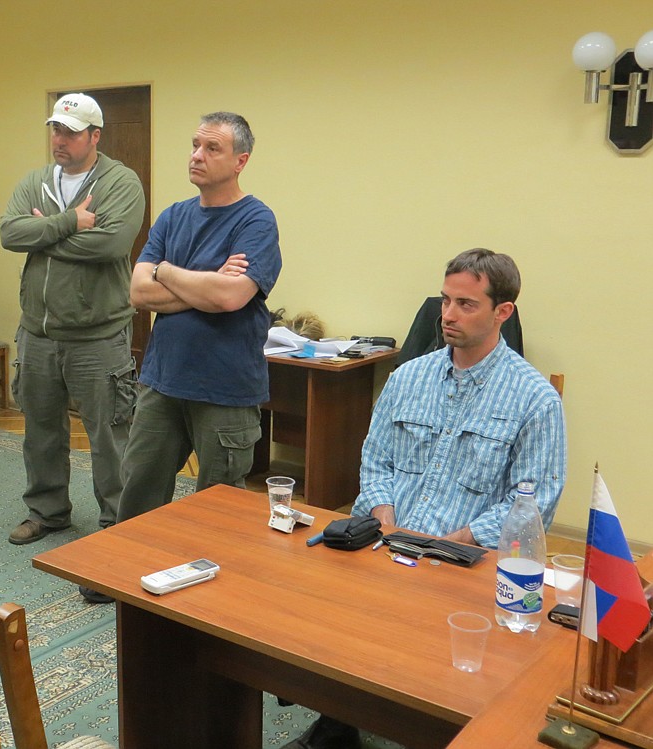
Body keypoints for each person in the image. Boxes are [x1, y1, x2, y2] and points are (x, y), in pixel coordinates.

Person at [283, 248, 567, 749]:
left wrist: (450, 542)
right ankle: (338, 719)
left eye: (466, 304)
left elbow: (534, 501)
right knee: (307, 612)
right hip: (383, 545)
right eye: (445, 300)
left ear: (503, 312)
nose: (448, 315)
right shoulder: (407, 377)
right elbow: (375, 462)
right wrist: (385, 518)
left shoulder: (534, 398)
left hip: (465, 565)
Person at [116, 112, 281, 523]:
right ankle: (118, 580)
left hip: (224, 388)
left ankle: (211, 585)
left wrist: (166, 271)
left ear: (240, 161)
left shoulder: (256, 221)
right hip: (163, 380)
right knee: (138, 488)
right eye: (194, 145)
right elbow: (138, 291)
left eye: (212, 148)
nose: (197, 155)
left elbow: (229, 297)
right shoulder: (173, 216)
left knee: (217, 507)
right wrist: (204, 286)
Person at [0, 94, 145, 559]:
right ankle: (46, 511)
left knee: (110, 435)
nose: (58, 140)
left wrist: (44, 236)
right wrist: (70, 223)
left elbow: (111, 245)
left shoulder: (121, 182)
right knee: (40, 430)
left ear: (95, 136)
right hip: (38, 334)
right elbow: (9, 234)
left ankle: (116, 519)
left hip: (98, 336)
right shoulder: (36, 181)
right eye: (55, 130)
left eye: (70, 132)